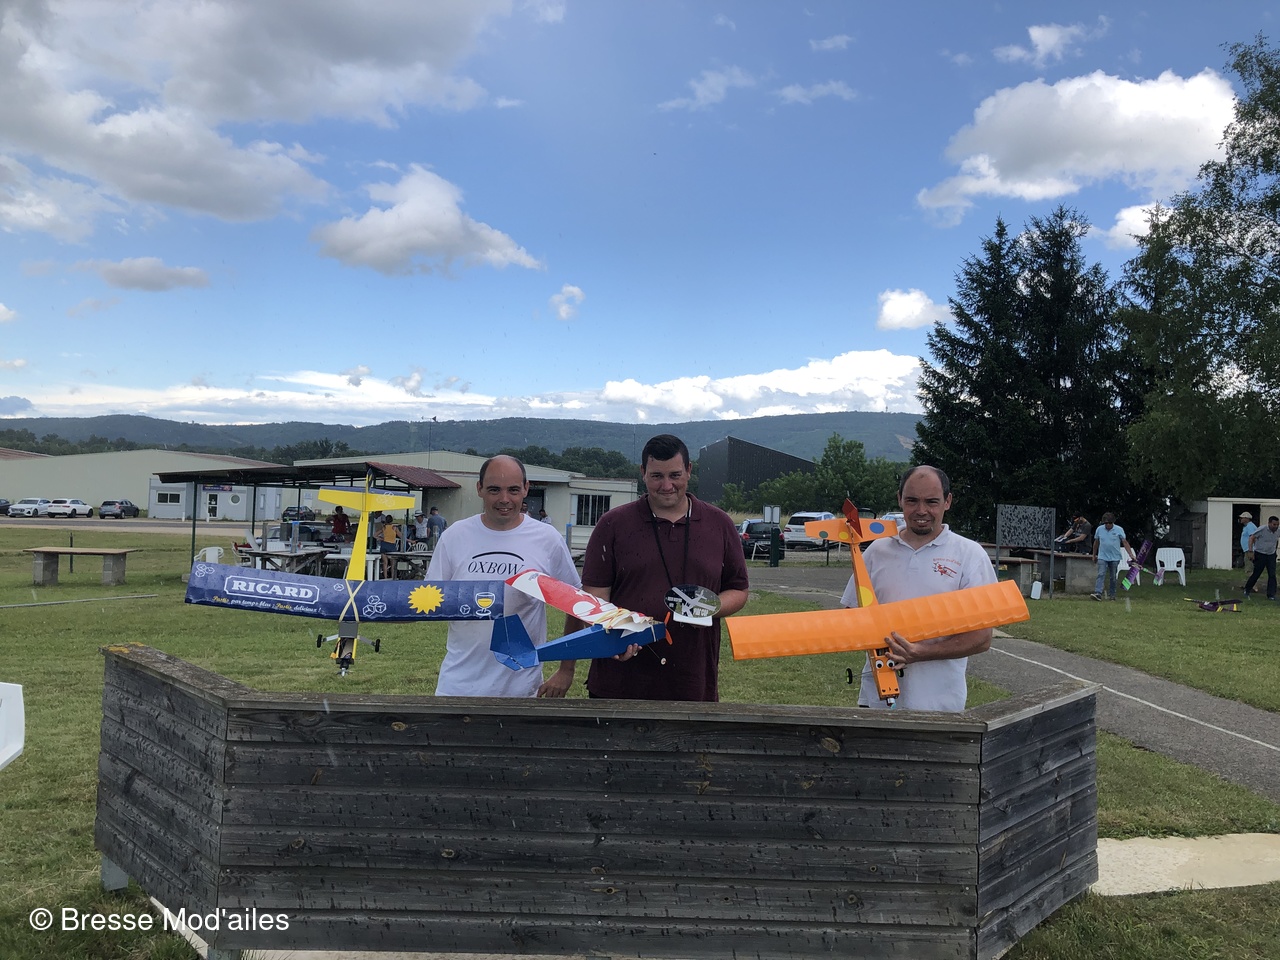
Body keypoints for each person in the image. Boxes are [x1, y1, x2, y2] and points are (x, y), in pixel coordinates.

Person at [580, 434, 750, 702]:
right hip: (620, 681)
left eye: (675, 475)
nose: (667, 485)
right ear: (643, 473)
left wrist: (708, 607)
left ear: (689, 471)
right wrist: (611, 636)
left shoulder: (719, 524)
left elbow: (738, 589)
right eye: (657, 476)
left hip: (693, 680)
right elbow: (593, 597)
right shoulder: (612, 524)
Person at [840, 465, 995, 713]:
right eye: (912, 500)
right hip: (876, 702)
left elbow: (981, 638)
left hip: (941, 707)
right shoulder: (876, 551)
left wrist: (920, 652)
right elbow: (850, 616)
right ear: (899, 499)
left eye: (931, 502)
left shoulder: (970, 555)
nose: (921, 510)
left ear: (947, 501)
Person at [428, 455, 581, 697]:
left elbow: (576, 604)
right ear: (479, 489)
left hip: (521, 691)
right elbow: (427, 601)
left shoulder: (547, 538)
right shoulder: (455, 536)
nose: (504, 499)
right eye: (494, 490)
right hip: (457, 688)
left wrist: (566, 669)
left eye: (513, 490)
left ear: (526, 489)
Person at [1091, 512, 1136, 601]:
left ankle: (1112, 594)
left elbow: (1124, 542)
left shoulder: (1119, 529)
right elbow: (1096, 543)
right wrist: (1094, 555)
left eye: (1110, 523)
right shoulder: (1099, 529)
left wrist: (1131, 555)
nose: (1108, 525)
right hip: (1102, 556)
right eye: (1106, 523)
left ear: (1113, 522)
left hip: (1114, 557)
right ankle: (1098, 593)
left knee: (1113, 577)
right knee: (1101, 574)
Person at [1243, 515, 1279, 601]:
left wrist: (1275, 550)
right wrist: (1250, 551)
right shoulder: (1262, 529)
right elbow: (1251, 538)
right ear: (1269, 523)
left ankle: (1271, 595)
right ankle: (1247, 589)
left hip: (1271, 554)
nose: (1276, 526)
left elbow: (1276, 540)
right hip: (1260, 554)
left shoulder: (1278, 530)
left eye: (1277, 524)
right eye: (1274, 524)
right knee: (1257, 573)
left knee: (1272, 574)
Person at [378, 513, 401, 578]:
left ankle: (385, 577)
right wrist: (410, 541)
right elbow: (401, 536)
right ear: (392, 520)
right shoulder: (394, 528)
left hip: (384, 545)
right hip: (391, 546)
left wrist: (381, 538)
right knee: (393, 564)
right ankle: (392, 577)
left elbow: (375, 535)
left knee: (385, 563)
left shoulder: (384, 527)